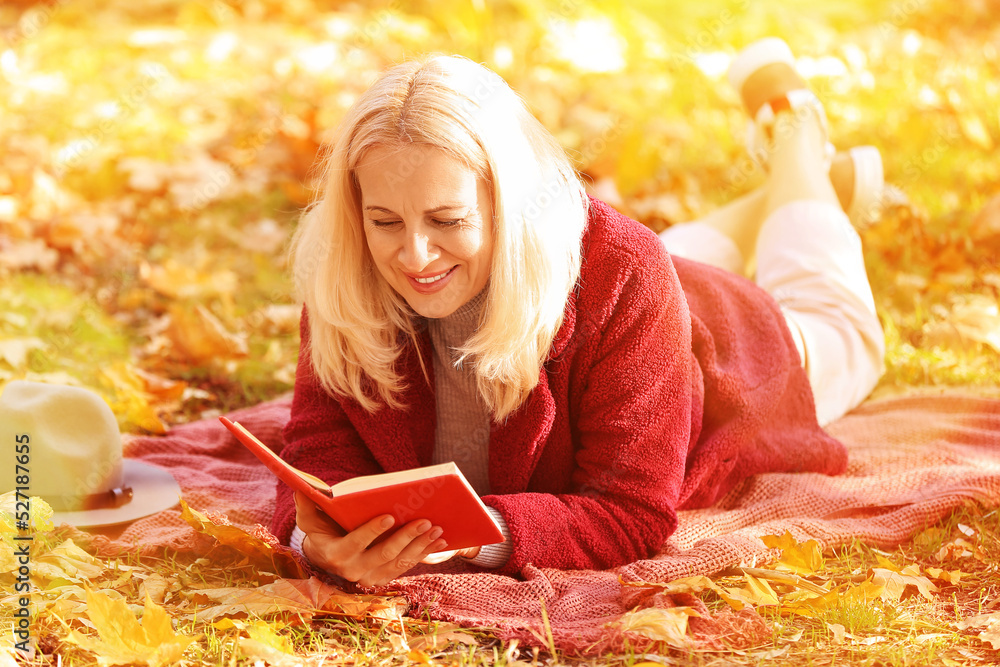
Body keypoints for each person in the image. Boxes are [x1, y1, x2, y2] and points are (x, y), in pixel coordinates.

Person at [270, 40, 885, 588]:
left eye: (447, 220)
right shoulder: (350, 268)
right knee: (658, 255)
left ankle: (795, 134)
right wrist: (316, 540)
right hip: (616, 278)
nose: (413, 255)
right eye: (385, 222)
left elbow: (633, 509)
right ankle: (806, 181)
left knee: (834, 314)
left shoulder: (625, 272)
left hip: (727, 348)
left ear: (511, 205)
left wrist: (479, 535)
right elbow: (318, 449)